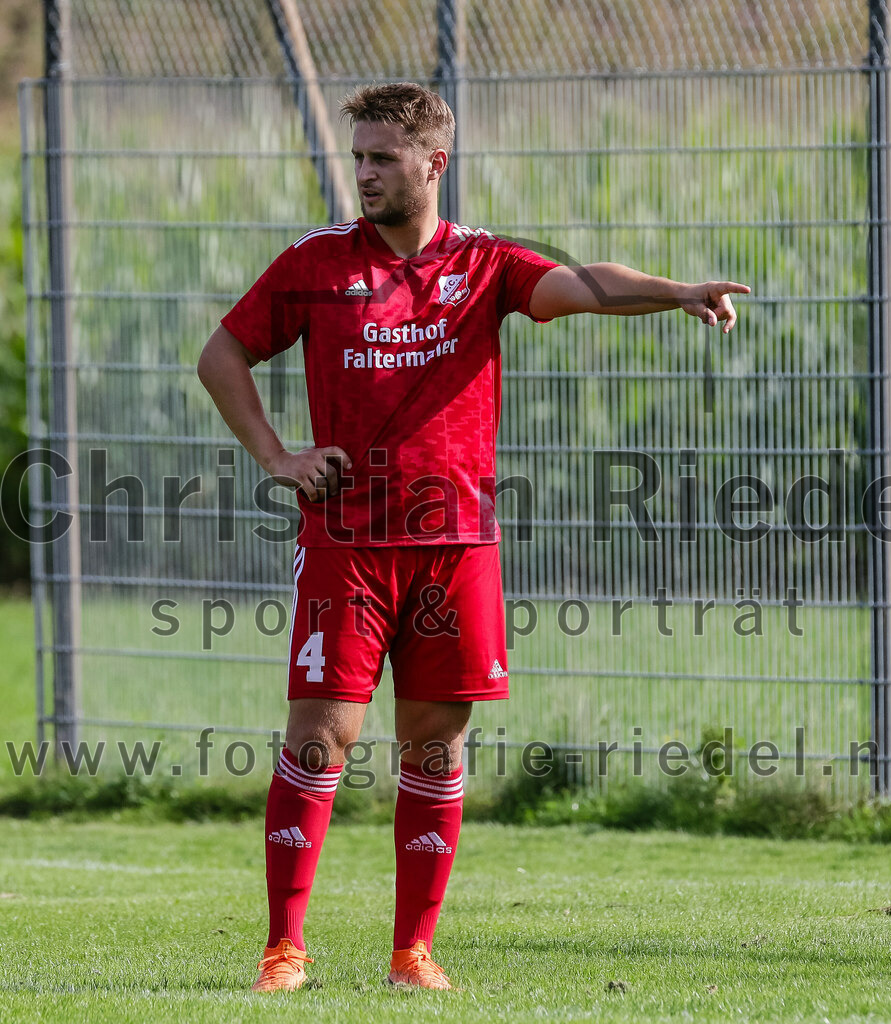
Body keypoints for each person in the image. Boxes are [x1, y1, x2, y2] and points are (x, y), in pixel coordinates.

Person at [198, 81, 749, 993]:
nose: (364, 172)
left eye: (382, 157)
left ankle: (413, 952)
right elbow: (222, 354)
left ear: (434, 163)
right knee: (320, 738)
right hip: (347, 541)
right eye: (360, 155)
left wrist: (679, 290)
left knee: (435, 745)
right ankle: (283, 950)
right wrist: (277, 455)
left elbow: (583, 285)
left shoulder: (485, 266)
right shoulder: (316, 266)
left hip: (456, 546)